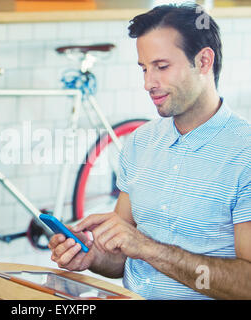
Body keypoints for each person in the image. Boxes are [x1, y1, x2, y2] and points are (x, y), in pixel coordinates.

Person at [48, 3, 251, 300]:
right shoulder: (139, 143)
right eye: (144, 68)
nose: (147, 84)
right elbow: (122, 257)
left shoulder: (244, 153)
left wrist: (147, 247)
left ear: (204, 61)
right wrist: (91, 255)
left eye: (162, 67)